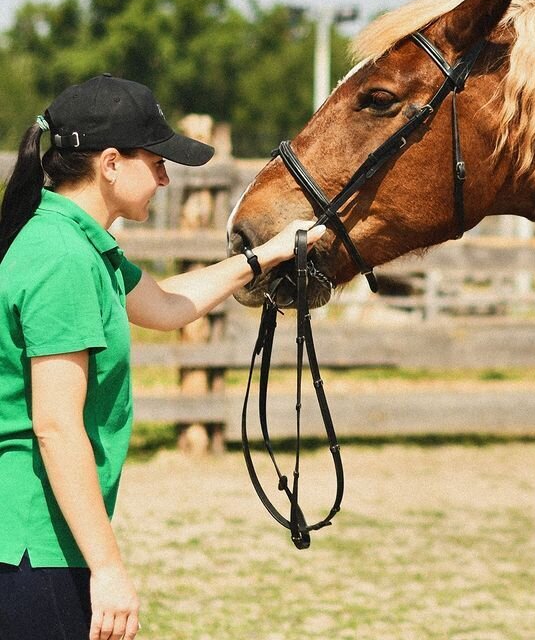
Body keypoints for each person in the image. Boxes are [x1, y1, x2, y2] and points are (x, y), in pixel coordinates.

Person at [0, 75, 324, 640]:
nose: (166, 177)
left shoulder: (76, 244)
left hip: (36, 540)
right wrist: (108, 568)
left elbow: (169, 305)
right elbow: (55, 426)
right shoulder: (63, 261)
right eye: (156, 161)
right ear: (109, 164)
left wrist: (266, 254)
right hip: (36, 546)